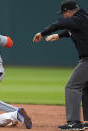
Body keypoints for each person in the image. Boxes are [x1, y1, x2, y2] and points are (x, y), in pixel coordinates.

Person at [33, 0, 88, 130]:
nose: (63, 16)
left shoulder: (77, 19)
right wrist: (59, 35)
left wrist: (42, 33)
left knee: (72, 87)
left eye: (64, 14)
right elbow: (71, 30)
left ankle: (74, 122)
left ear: (67, 12)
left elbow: (61, 23)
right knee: (85, 87)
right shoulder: (83, 18)